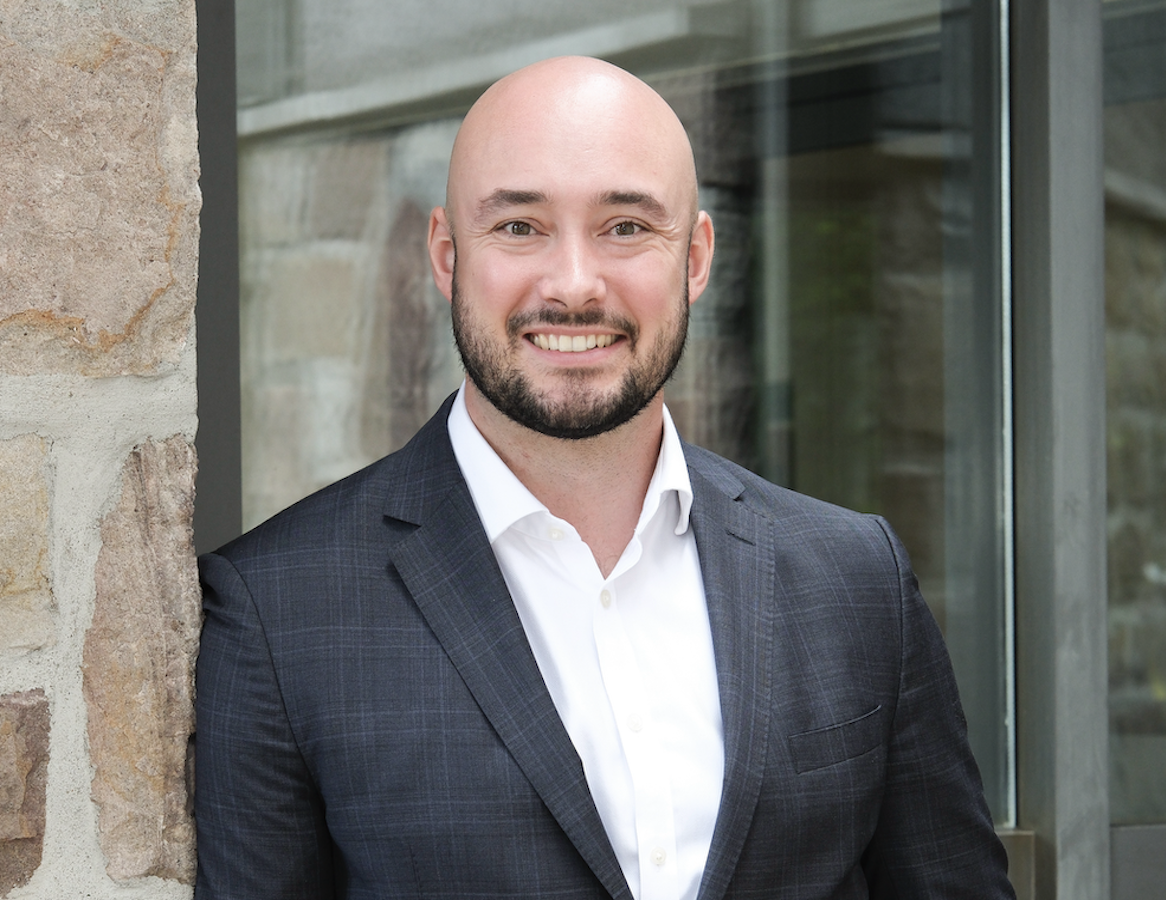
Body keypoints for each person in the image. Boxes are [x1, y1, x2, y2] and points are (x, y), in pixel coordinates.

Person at [194, 56, 1015, 900]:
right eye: (520, 227)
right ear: (445, 255)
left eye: (625, 227)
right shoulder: (277, 614)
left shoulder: (855, 579)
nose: (574, 286)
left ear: (696, 258)